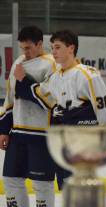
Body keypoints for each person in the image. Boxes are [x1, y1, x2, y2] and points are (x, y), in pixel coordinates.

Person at [13, 30, 106, 189]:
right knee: (68, 192)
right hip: (64, 146)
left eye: (58, 47)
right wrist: (23, 80)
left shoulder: (87, 74)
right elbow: (40, 96)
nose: (53, 52)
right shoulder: (55, 77)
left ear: (71, 48)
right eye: (52, 47)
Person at [0, 26, 57, 207]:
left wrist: (25, 80)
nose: (25, 52)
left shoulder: (51, 64)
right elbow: (10, 100)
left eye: (28, 48)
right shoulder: (18, 62)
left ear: (39, 44)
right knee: (10, 179)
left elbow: (50, 100)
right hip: (17, 133)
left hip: (42, 135)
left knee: (42, 184)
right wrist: (3, 130)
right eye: (22, 48)